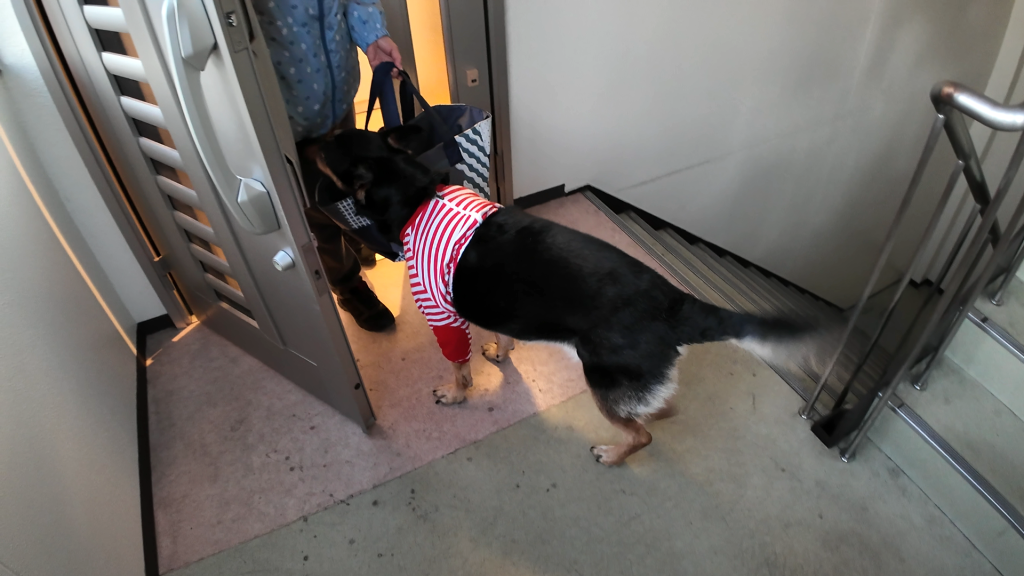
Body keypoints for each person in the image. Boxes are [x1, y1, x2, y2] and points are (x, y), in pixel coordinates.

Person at [250, 0, 402, 332]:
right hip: (285, 111)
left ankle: (357, 240)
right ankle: (347, 285)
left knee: (351, 181)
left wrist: (372, 33)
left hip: (339, 91)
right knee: (318, 211)